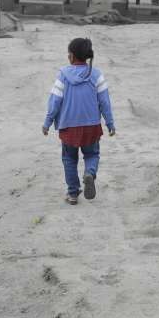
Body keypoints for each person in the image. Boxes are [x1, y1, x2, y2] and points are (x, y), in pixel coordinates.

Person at [43, 38, 115, 205]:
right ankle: (89, 173)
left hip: (68, 126)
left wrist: (47, 122)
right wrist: (110, 123)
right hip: (91, 125)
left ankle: (73, 193)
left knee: (69, 158)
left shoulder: (63, 75)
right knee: (92, 154)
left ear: (72, 56)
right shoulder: (96, 74)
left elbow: (55, 101)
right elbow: (105, 102)